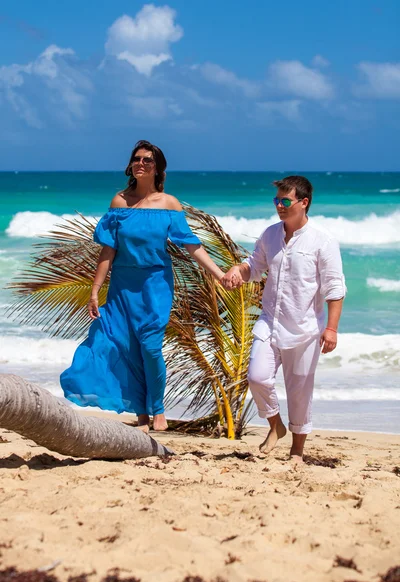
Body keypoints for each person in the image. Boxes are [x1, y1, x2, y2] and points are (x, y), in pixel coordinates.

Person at [60, 140, 226, 433]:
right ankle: (141, 414)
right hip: (123, 286)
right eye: (137, 159)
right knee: (126, 346)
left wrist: (219, 273)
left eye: (147, 160)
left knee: (150, 348)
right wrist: (95, 290)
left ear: (157, 167)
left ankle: (158, 410)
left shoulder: (168, 204)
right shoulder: (119, 203)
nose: (141, 164)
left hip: (155, 285)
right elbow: (108, 251)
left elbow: (190, 245)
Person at [222, 175, 346, 462]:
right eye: (276, 200)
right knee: (257, 376)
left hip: (304, 328)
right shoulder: (270, 235)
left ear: (304, 203)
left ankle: (297, 452)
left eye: (285, 200)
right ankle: (275, 424)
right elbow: (253, 267)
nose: (279, 205)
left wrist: (331, 328)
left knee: (300, 390)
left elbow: (334, 288)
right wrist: (235, 272)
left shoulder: (323, 240)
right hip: (269, 321)